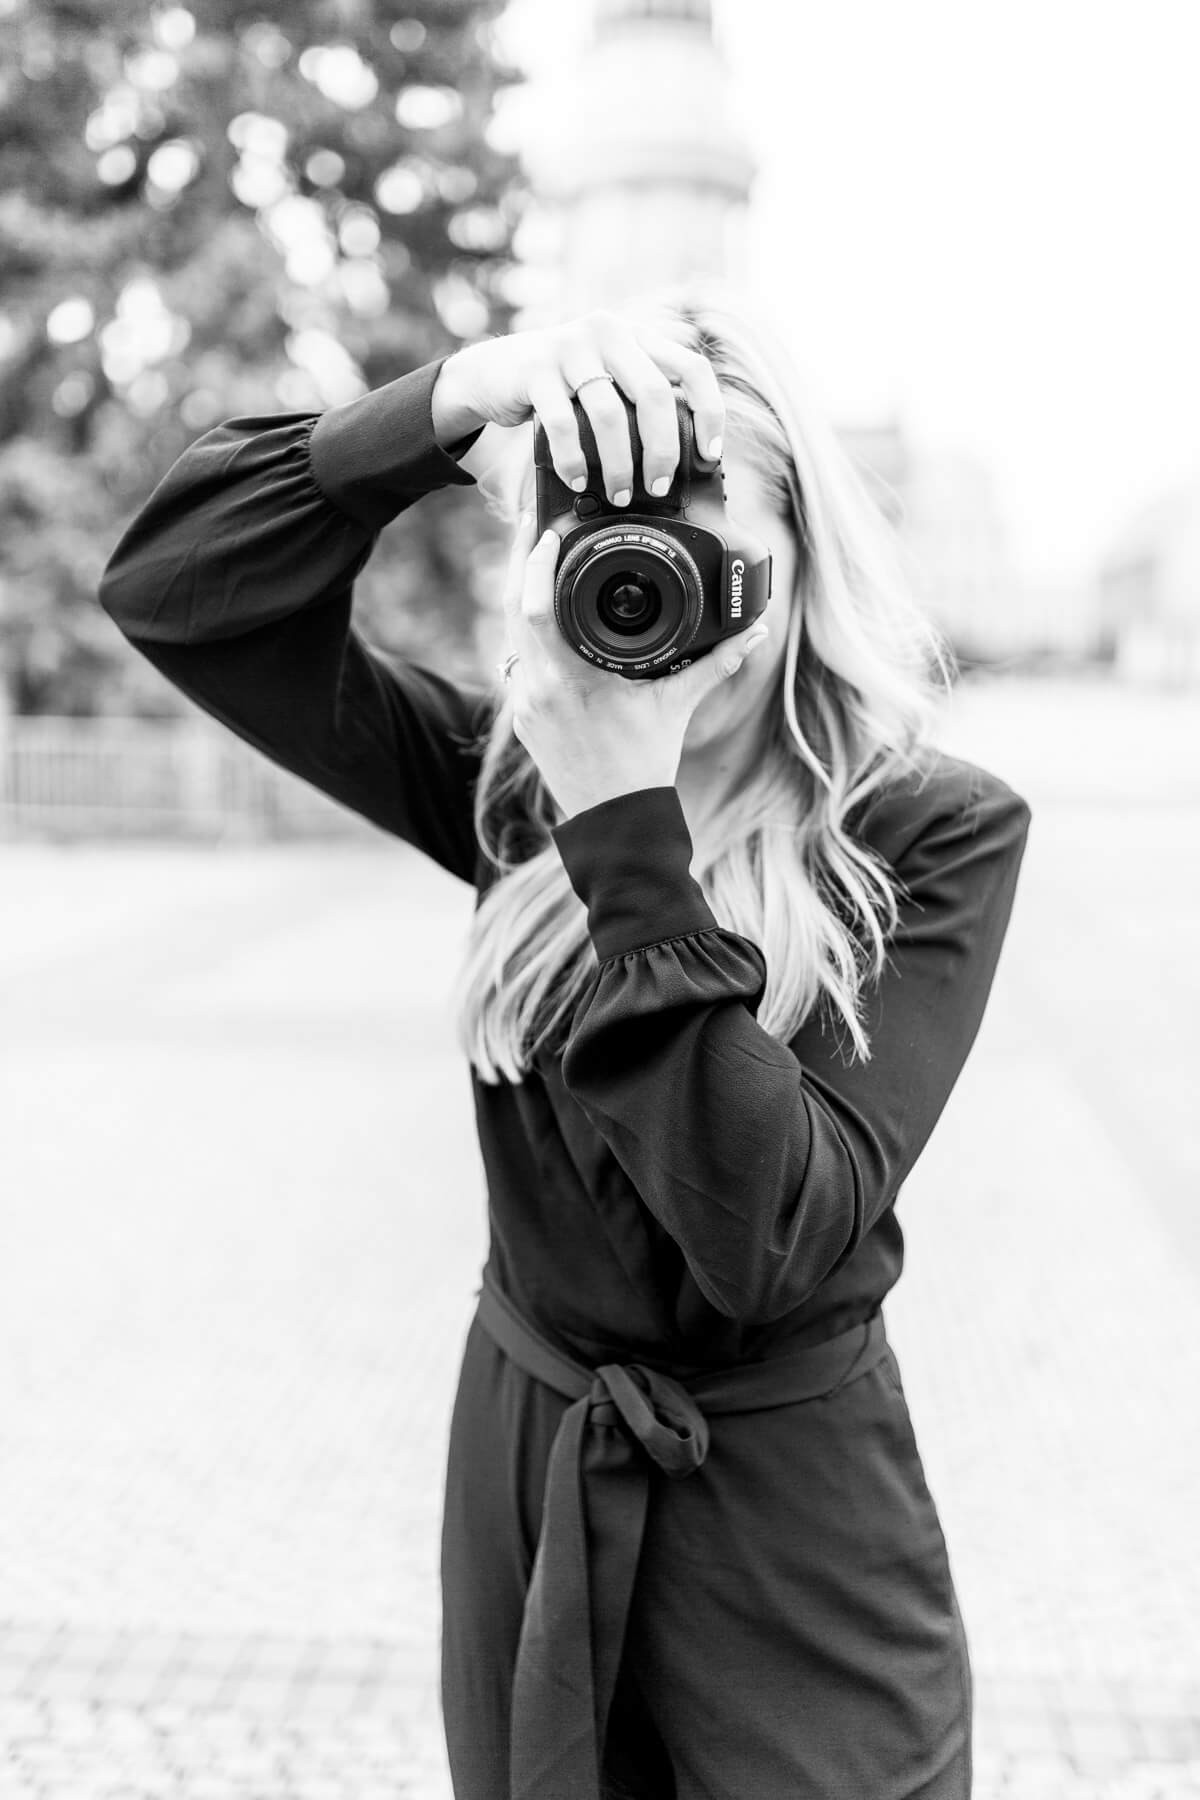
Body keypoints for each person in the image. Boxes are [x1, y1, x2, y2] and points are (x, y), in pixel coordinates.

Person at [98, 281, 1033, 1800]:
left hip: (792, 1540)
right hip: (532, 1487)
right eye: (605, 536)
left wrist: (625, 825)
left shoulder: (929, 835)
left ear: (799, 559)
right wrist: (451, 399)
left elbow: (771, 1236)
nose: (653, 583)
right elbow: (172, 585)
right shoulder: (508, 786)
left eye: (708, 534)